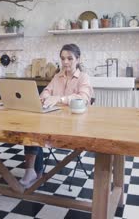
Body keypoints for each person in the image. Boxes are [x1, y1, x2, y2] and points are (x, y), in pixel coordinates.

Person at [20, 43, 94, 187]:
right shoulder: (57, 76)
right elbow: (46, 91)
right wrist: (45, 97)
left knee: (37, 131)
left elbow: (83, 98)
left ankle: (34, 171)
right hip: (55, 121)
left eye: (70, 58)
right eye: (62, 58)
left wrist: (59, 99)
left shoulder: (84, 77)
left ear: (78, 59)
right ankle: (32, 171)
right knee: (32, 129)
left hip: (75, 125)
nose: (65, 62)